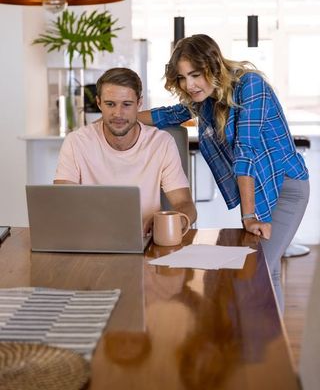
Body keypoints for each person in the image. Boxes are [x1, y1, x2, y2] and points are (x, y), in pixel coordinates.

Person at [139, 34, 309, 312]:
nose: (189, 85)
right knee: (267, 269)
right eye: (182, 78)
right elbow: (167, 115)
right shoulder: (206, 99)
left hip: (286, 188)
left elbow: (245, 151)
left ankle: (263, 340)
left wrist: (248, 215)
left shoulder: (251, 86)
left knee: (260, 267)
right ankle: (263, 343)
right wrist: (124, 115)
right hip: (257, 190)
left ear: (213, 66)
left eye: (195, 74)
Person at [54, 67, 197, 234]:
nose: (118, 113)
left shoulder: (162, 143)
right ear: (99, 103)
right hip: (90, 240)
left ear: (139, 104)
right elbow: (61, 204)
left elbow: (185, 204)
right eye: (110, 104)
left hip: (145, 241)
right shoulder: (76, 142)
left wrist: (173, 222)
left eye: (127, 104)